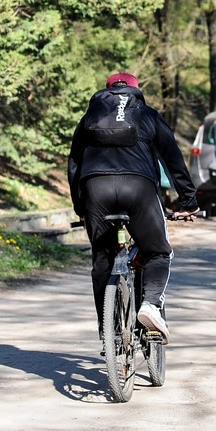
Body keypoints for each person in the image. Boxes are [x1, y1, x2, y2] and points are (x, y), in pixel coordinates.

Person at [67, 72, 199, 346]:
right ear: (136, 91)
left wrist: (80, 206)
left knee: (102, 259)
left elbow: (74, 164)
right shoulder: (147, 114)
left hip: (95, 190)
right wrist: (188, 200)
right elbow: (173, 158)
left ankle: (108, 332)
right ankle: (150, 305)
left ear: (107, 92)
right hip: (138, 189)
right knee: (158, 251)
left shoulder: (90, 117)